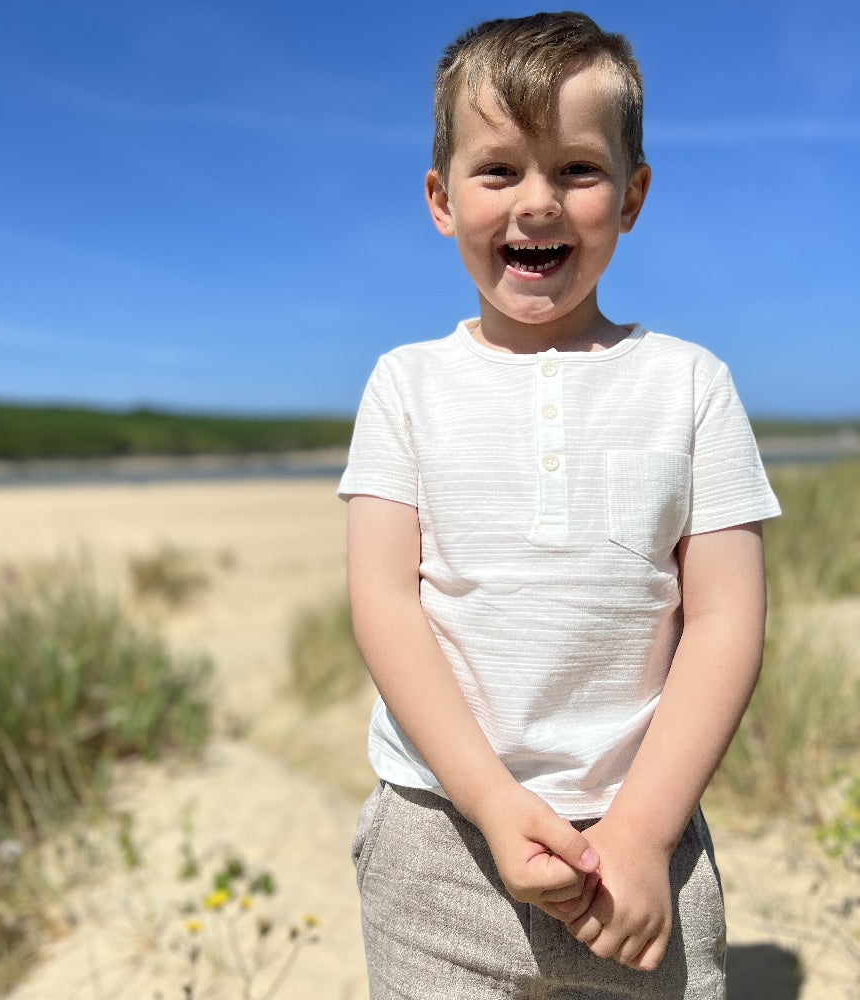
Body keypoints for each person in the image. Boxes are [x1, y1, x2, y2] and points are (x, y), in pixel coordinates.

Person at [338, 11, 781, 1000]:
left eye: (577, 170)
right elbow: (383, 600)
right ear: (440, 197)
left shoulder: (689, 383)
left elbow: (723, 614)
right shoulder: (405, 384)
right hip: (438, 833)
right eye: (498, 170)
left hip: (640, 846)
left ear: (631, 196)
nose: (537, 203)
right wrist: (493, 804)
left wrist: (642, 830)